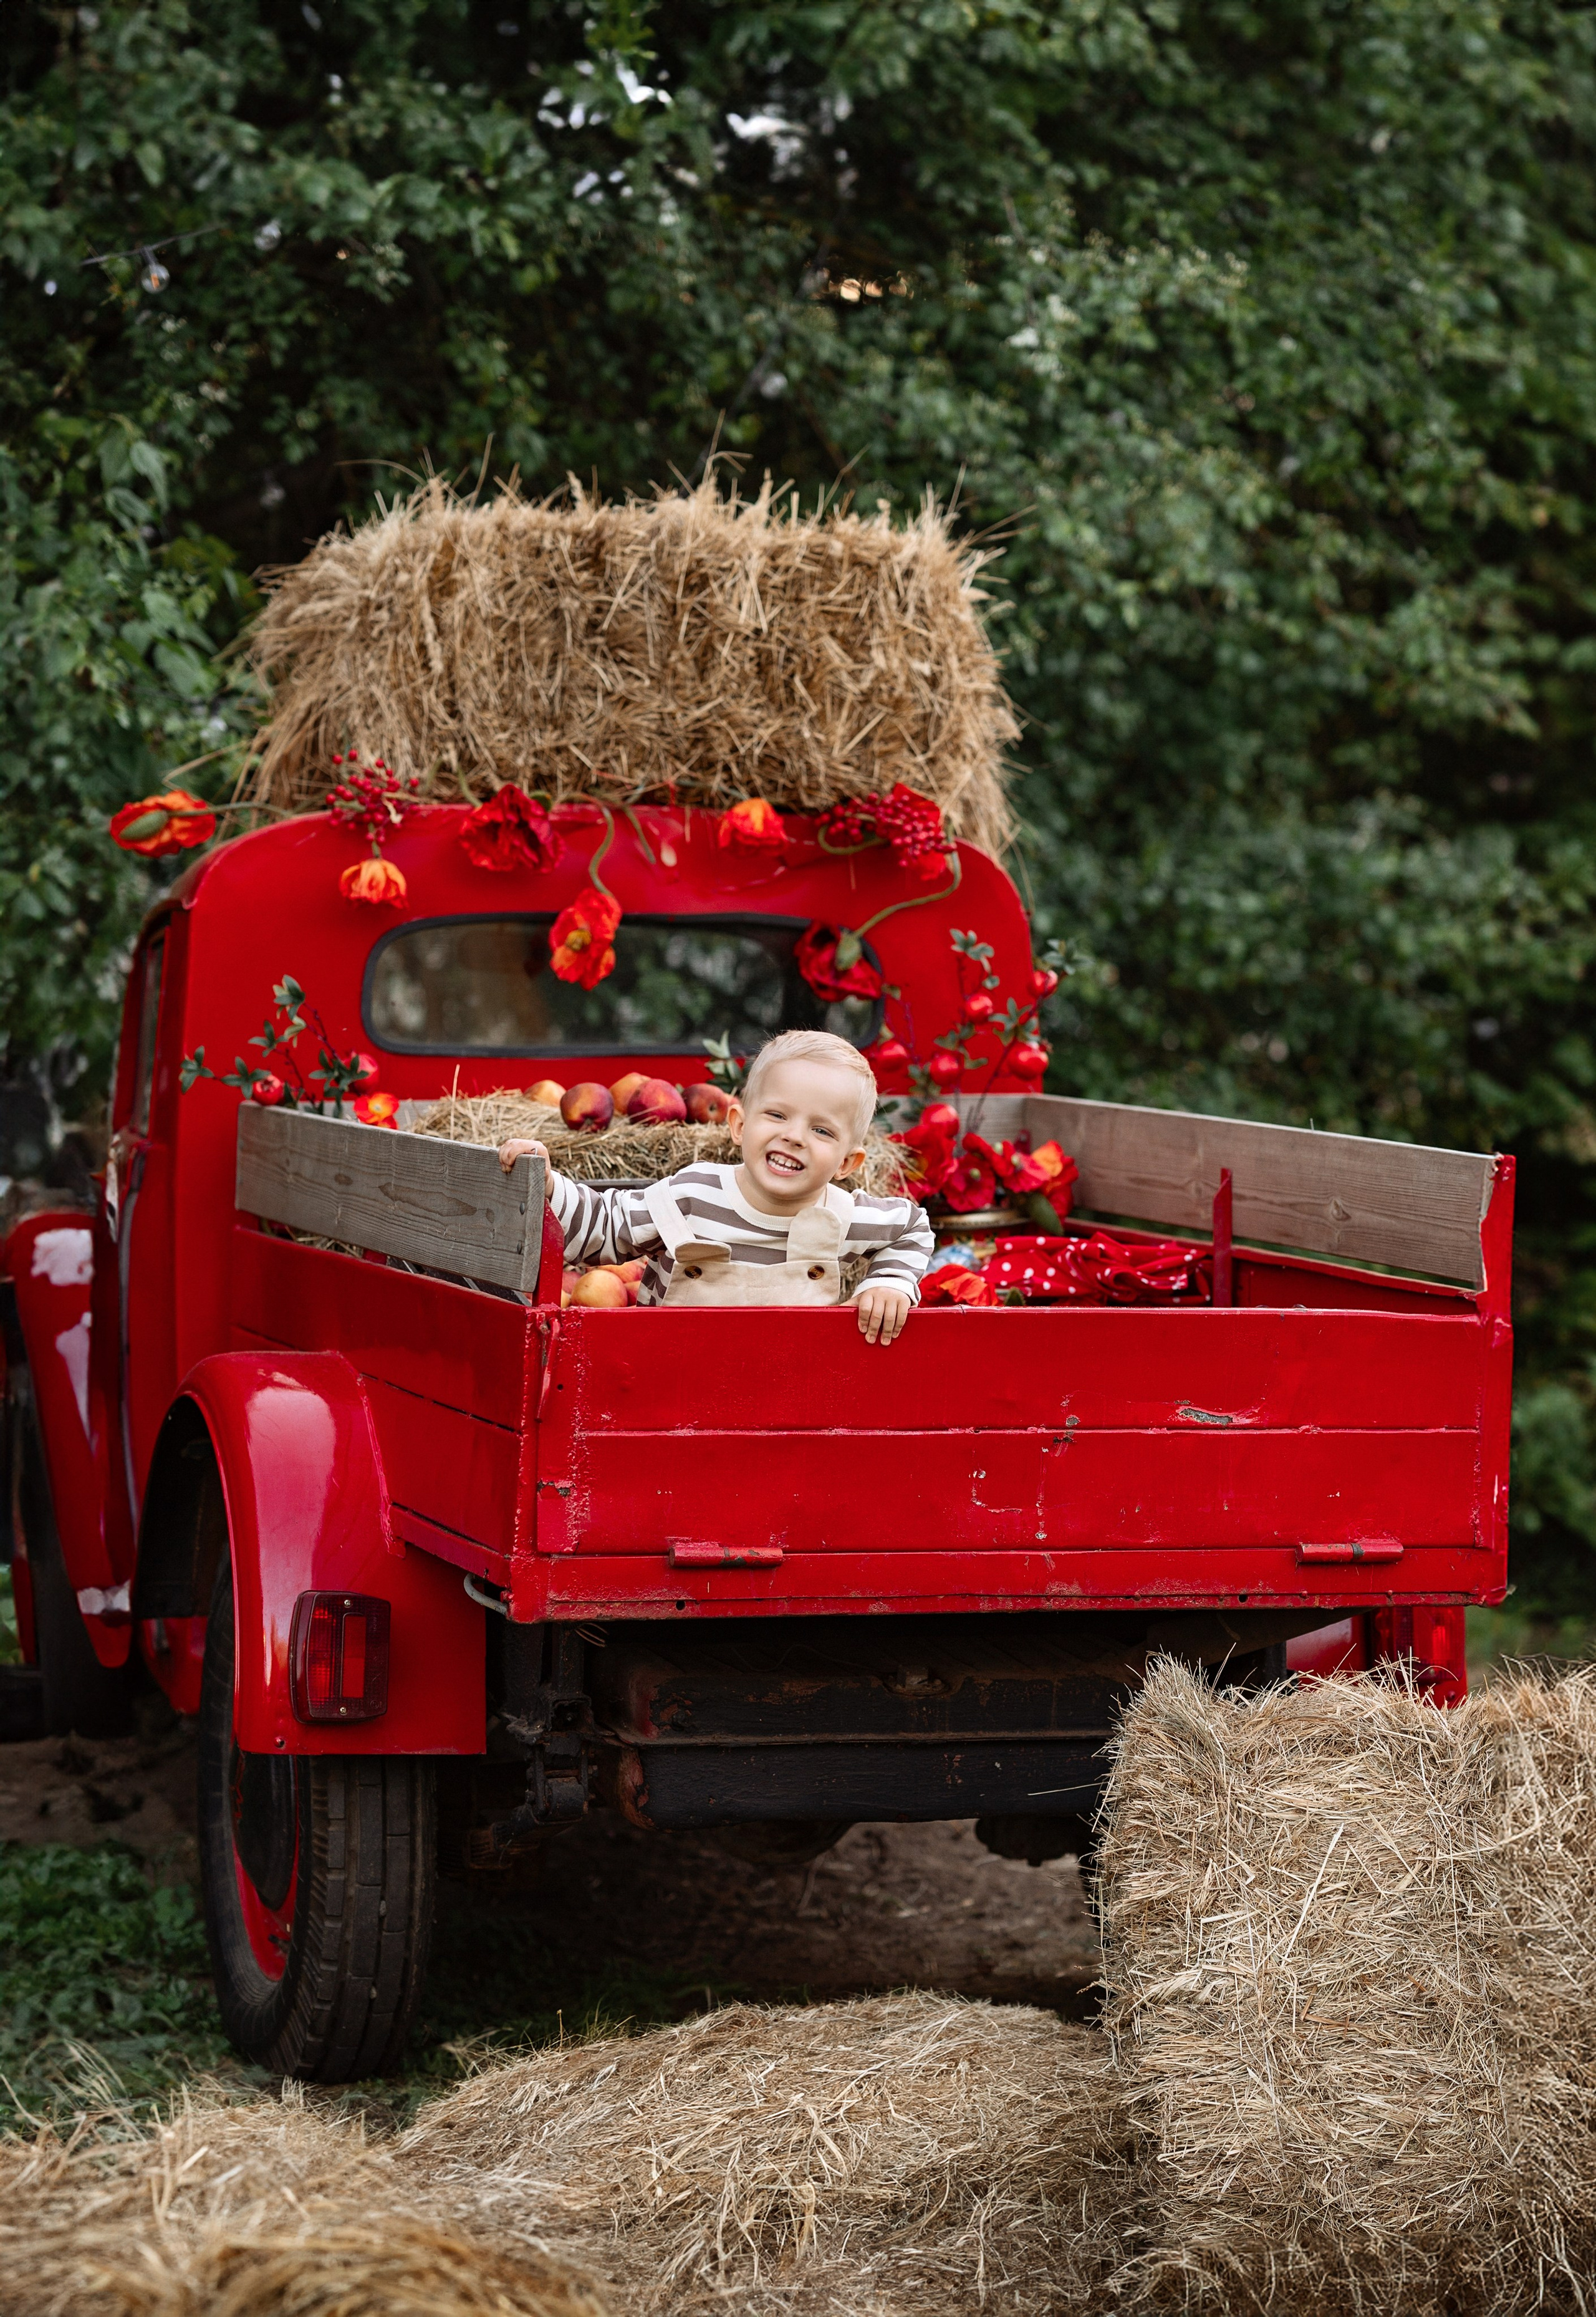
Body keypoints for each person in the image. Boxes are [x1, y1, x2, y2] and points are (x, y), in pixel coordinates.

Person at [499, 1029, 933, 1342]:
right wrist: (551, 1185)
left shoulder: (843, 1216)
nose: (795, 1136)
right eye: (778, 1116)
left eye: (822, 1131)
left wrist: (890, 1283)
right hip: (669, 1394)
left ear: (847, 1162)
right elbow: (607, 1228)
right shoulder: (692, 1197)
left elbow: (913, 1227)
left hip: (785, 1403)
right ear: (739, 1125)